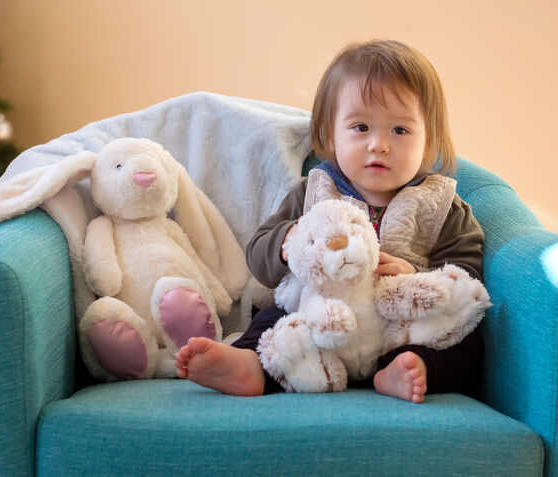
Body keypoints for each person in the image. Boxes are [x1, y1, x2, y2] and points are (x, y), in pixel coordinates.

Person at [175, 40, 485, 403]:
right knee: (276, 316)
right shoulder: (312, 193)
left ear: (428, 140)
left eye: (399, 130)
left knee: (465, 341)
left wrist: (415, 273)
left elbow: (467, 277)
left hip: (397, 326)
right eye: (361, 127)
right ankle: (251, 366)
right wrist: (288, 242)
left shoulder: (442, 205)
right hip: (321, 320)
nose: (379, 145)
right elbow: (258, 256)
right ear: (329, 134)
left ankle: (404, 371)